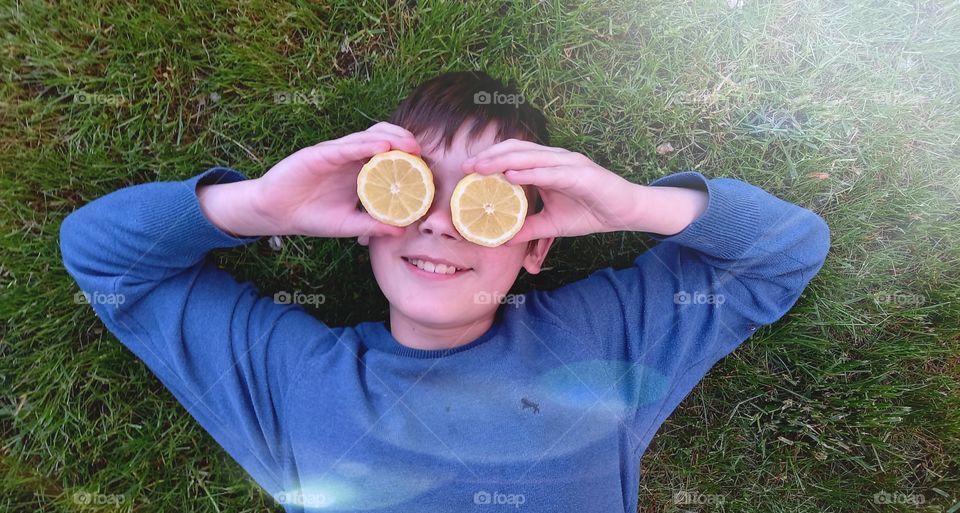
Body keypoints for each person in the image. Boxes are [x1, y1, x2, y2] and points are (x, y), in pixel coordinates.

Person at [60, 71, 830, 512]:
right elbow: (102, 259)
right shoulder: (292, 377)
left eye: (484, 201)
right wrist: (261, 206)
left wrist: (631, 205)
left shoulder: (601, 339)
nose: (440, 221)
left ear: (535, 245)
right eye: (415, 186)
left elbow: (787, 252)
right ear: (367, 218)